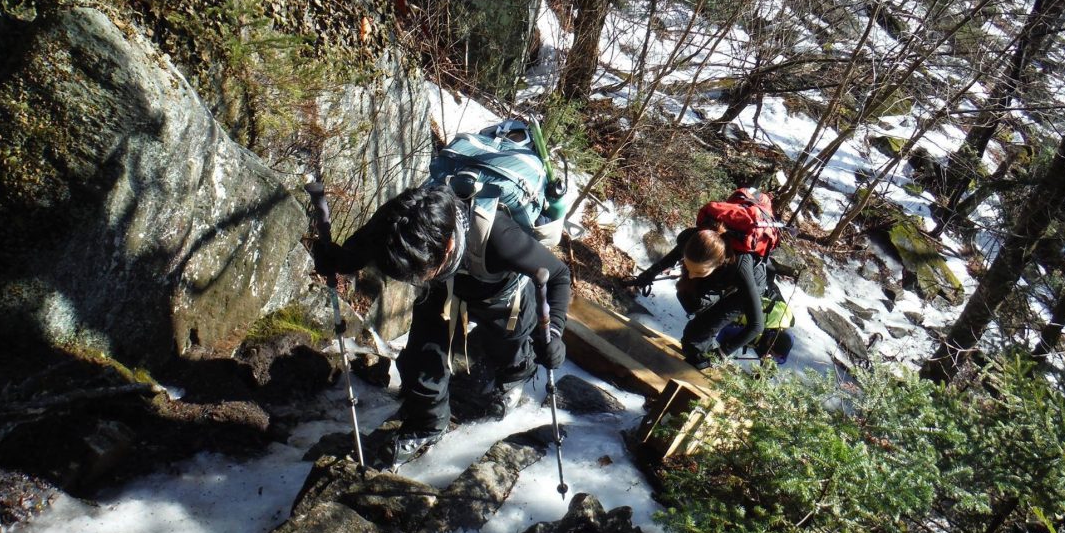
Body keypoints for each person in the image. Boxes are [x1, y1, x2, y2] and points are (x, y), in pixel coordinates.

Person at [313, 184, 571, 464]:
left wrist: (554, 330)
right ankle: (428, 422)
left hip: (501, 291)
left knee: (508, 341)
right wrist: (337, 260)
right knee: (420, 357)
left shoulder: (500, 236)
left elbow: (558, 275)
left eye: (419, 273)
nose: (415, 279)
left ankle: (514, 377)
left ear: (448, 246)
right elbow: (364, 247)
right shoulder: (399, 221)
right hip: (442, 289)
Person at [625, 224, 769, 369]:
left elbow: (757, 325)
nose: (692, 275)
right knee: (689, 298)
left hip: (745, 288)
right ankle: (707, 320)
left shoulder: (741, 268)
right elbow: (668, 260)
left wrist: (720, 355)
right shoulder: (692, 241)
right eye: (688, 267)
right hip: (717, 275)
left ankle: (706, 360)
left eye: (698, 273)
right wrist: (641, 279)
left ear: (718, 263)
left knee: (694, 341)